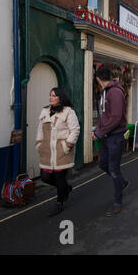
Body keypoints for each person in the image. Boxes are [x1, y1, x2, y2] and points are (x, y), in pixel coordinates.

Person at [36, 88, 80, 216]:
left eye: (54, 96)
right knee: (45, 177)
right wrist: (39, 144)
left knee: (59, 177)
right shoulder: (45, 111)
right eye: (50, 95)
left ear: (60, 97)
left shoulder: (68, 112)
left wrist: (67, 145)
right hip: (47, 151)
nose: (51, 98)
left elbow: (75, 129)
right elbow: (40, 130)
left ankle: (59, 202)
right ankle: (66, 188)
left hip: (62, 151)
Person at [92, 66, 130, 216]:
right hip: (107, 136)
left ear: (98, 79)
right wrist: (98, 130)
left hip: (115, 136)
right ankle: (121, 182)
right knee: (103, 164)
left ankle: (117, 202)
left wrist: (99, 133)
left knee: (114, 169)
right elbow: (105, 115)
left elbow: (115, 118)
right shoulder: (106, 92)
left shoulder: (114, 92)